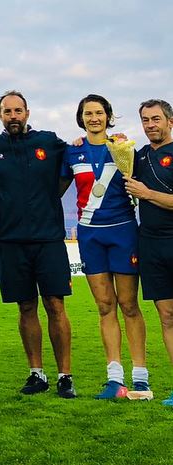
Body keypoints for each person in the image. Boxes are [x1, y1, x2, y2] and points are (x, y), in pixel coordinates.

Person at [0, 90, 76, 398]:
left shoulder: (49, 141)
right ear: (0, 116)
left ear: (28, 113)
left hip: (49, 240)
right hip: (11, 240)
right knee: (26, 306)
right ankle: (37, 374)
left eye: (18, 110)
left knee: (55, 305)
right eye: (8, 111)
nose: (14, 116)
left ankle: (65, 376)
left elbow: (77, 159)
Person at [61, 95, 149, 399]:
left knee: (129, 305)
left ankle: (140, 378)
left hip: (123, 231)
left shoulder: (123, 147)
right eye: (88, 113)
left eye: (99, 113)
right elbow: (56, 189)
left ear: (108, 116)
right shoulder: (72, 152)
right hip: (90, 236)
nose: (94, 118)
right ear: (81, 117)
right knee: (104, 306)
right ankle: (114, 378)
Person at [124, 98, 173, 406]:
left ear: (170, 121)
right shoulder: (137, 156)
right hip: (151, 244)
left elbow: (146, 193)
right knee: (167, 316)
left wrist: (147, 194)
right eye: (145, 120)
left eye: (156, 119)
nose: (150, 125)